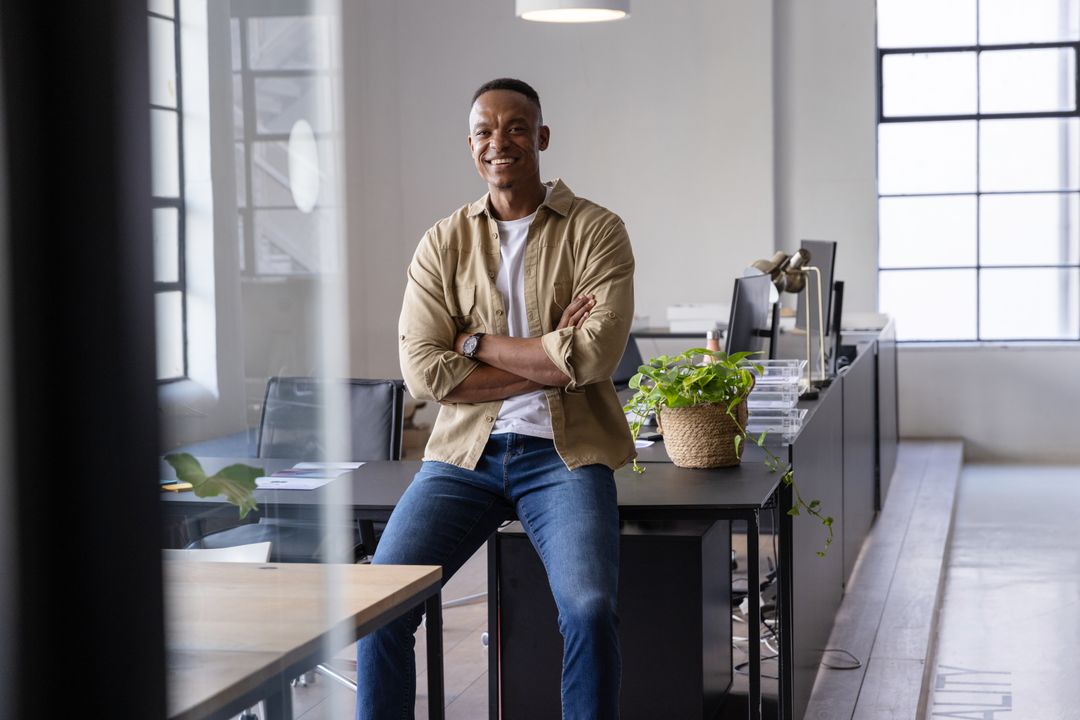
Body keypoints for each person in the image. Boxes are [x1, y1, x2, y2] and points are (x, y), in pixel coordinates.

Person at [356, 77, 636, 720]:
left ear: (541, 137)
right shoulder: (442, 241)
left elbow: (595, 356)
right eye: (484, 131)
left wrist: (475, 341)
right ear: (471, 145)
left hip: (565, 458)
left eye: (514, 128)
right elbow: (425, 371)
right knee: (378, 603)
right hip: (463, 457)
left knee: (590, 609)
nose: (499, 142)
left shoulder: (596, 230)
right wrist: (549, 355)